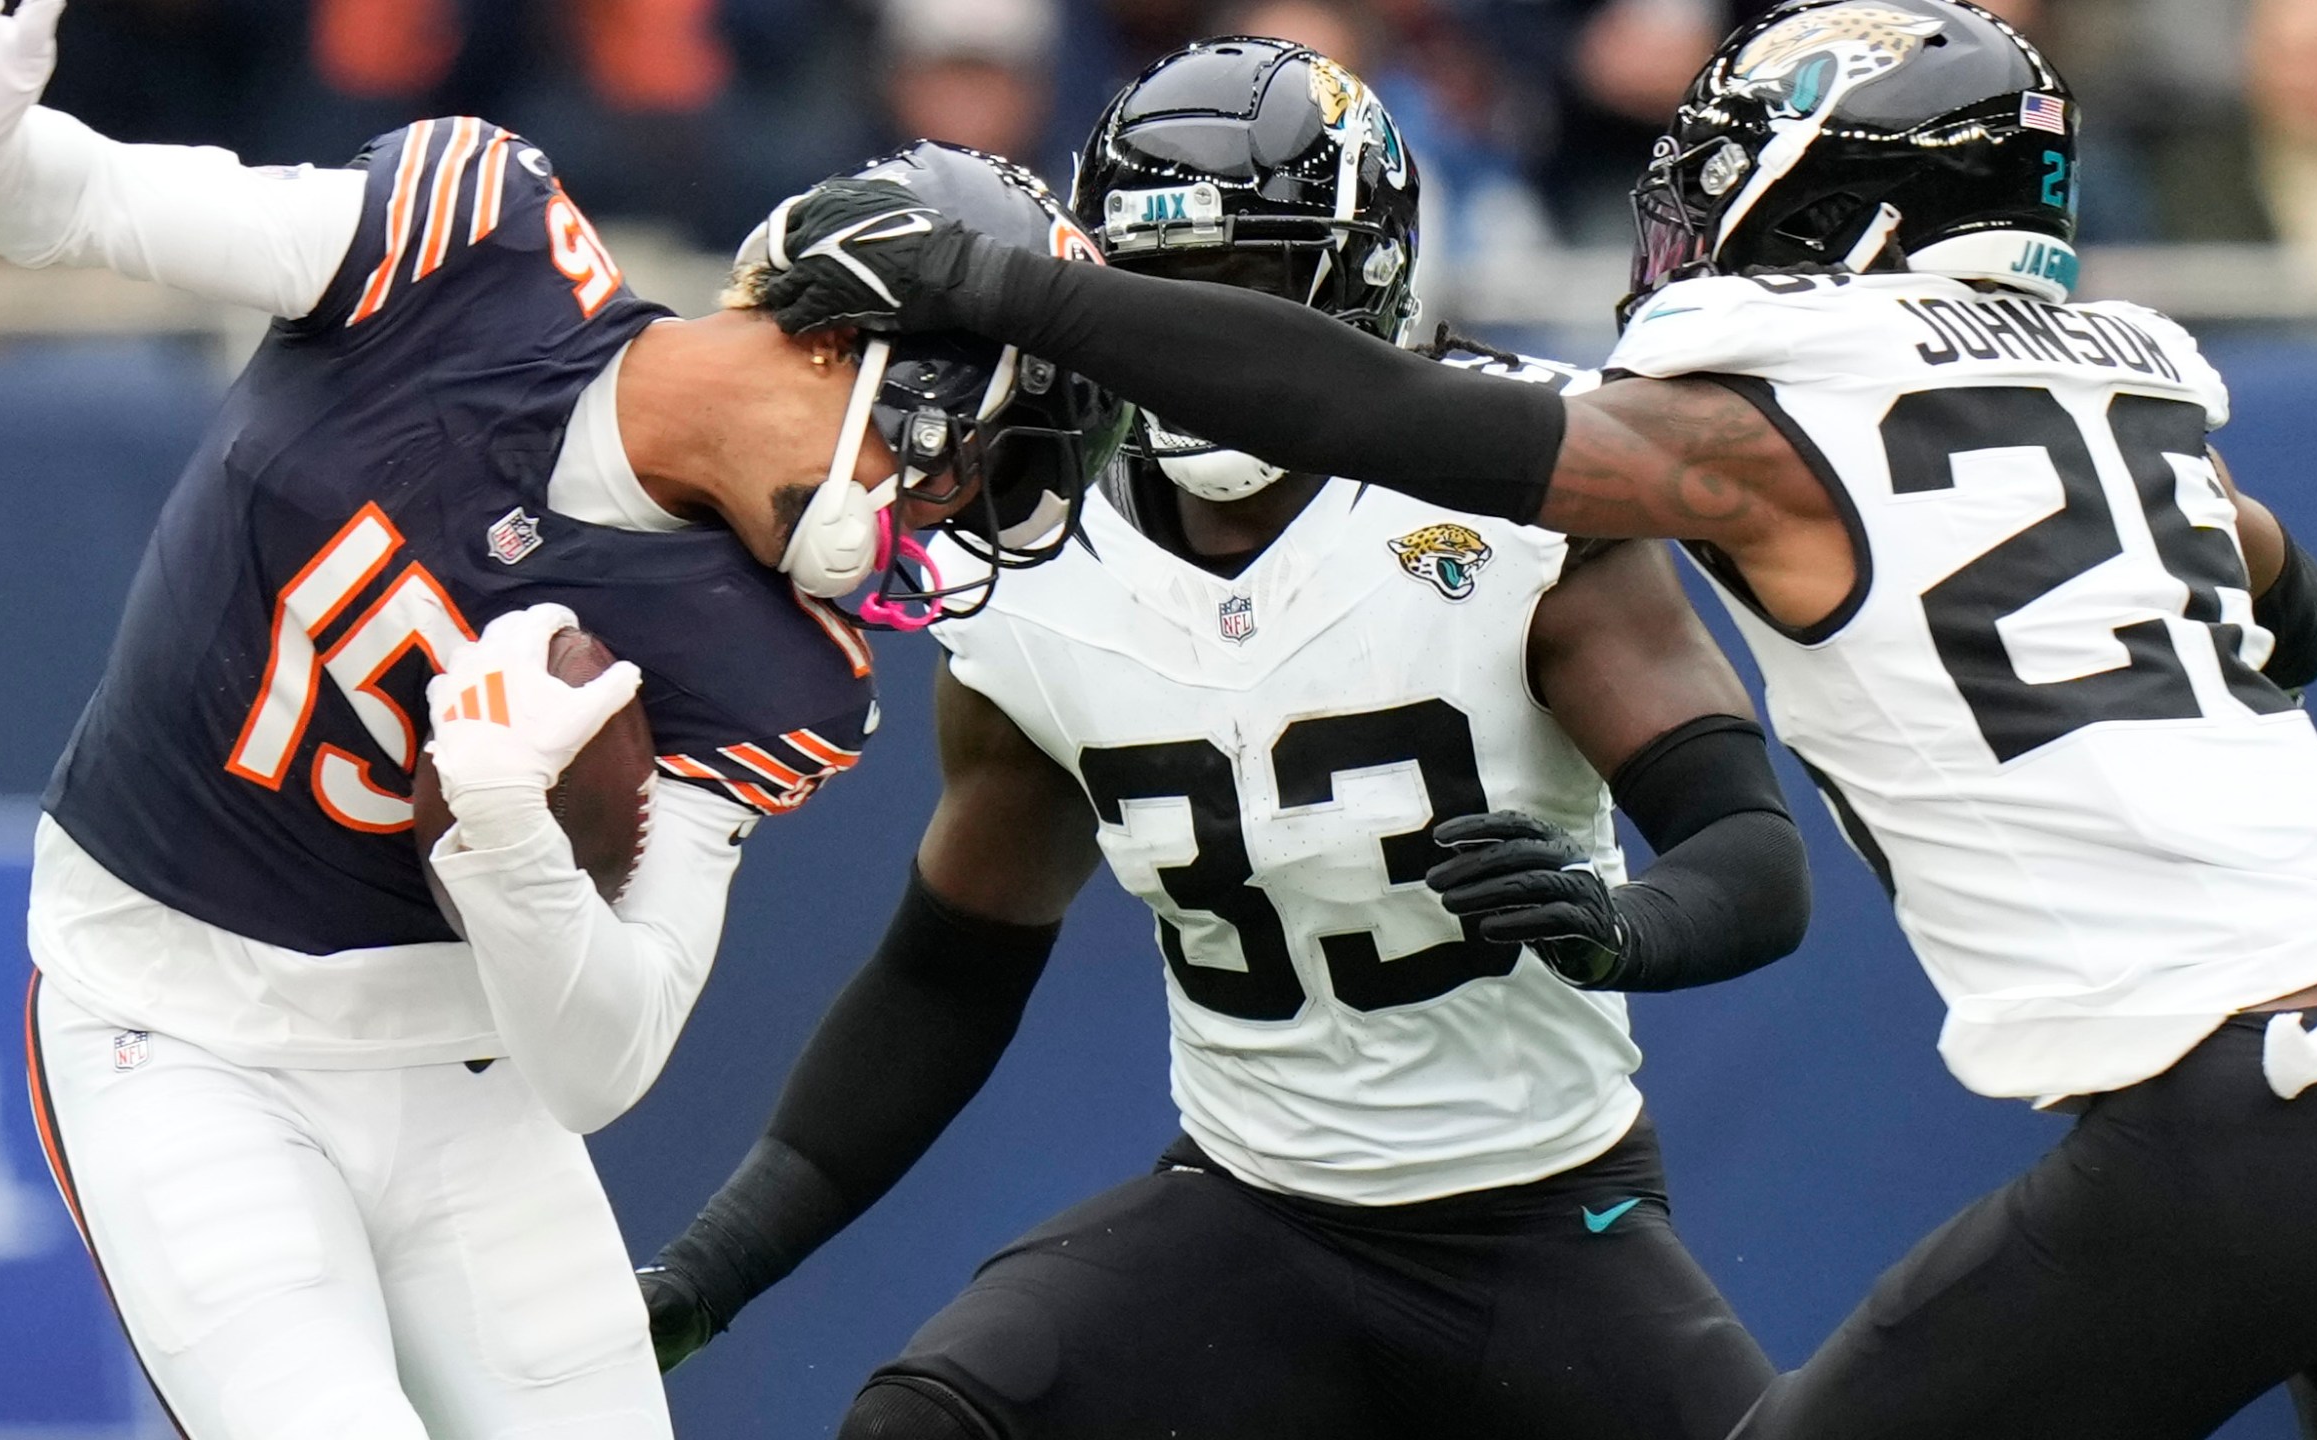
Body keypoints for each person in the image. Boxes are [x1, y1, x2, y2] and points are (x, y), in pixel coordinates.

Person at [751, 2, 2317, 1435]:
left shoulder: (1761, 430)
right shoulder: (2127, 402)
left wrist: (993, 285)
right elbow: (2292, 608)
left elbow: (1377, 409)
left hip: (2247, 1105)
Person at [0, 3, 1117, 1435]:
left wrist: (509, 842)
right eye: (960, 464)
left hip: (462, 1082)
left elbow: (599, 1063)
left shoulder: (781, 666)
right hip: (174, 1024)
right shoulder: (470, 238)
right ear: (854, 337)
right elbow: (96, 201)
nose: (935, 513)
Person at [642, 40, 1811, 1440]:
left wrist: (1624, 923)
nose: (1192, 343)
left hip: (1548, 1221)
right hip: (1251, 1210)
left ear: (1360, 281)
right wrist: (710, 1273)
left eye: (1241, 288)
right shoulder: (1040, 556)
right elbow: (947, 978)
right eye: (1153, 293)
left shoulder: (1513, 507)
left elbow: (1752, 856)